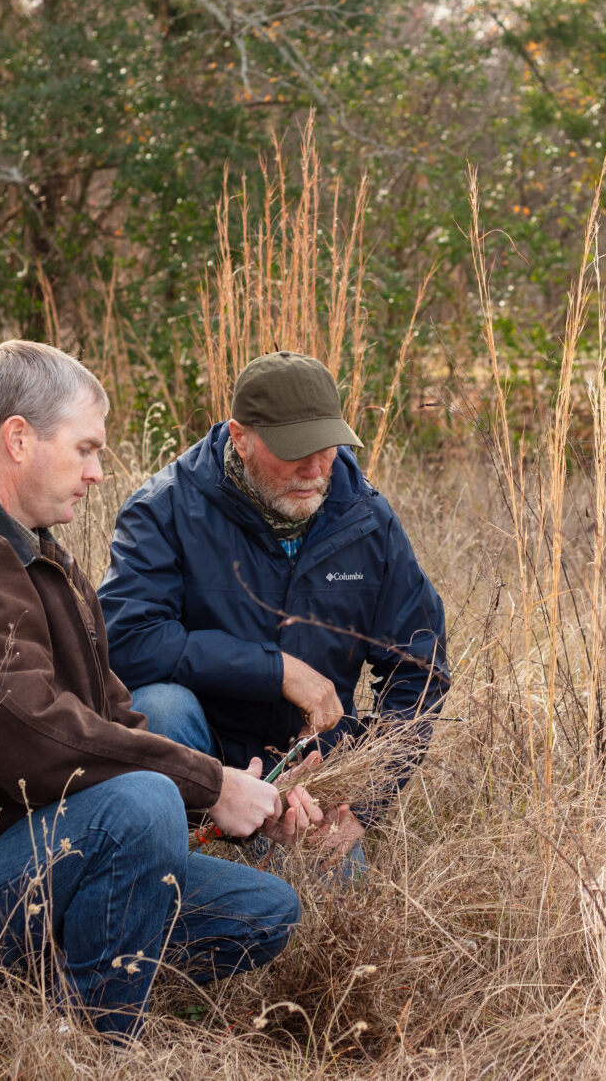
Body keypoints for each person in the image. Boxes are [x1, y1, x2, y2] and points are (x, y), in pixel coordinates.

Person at [0, 340, 310, 1040]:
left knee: (263, 909)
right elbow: (33, 739)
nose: (97, 472)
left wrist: (245, 795)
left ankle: (27, 994)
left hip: (21, 869)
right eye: (84, 448)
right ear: (18, 439)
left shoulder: (41, 557)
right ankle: (92, 1042)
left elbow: (113, 716)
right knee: (140, 799)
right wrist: (206, 783)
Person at [99, 351, 450, 869]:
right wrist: (276, 670)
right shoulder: (165, 508)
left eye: (327, 447)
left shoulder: (366, 520)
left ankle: (265, 854)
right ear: (240, 438)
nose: (315, 469)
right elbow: (126, 640)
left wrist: (363, 802)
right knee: (162, 707)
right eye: (294, 451)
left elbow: (419, 670)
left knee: (325, 907)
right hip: (205, 758)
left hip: (313, 777)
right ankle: (175, 855)